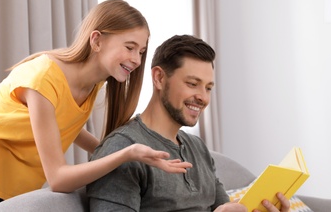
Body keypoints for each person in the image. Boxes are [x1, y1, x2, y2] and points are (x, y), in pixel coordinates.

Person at [0, 0, 191, 212]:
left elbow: (64, 122)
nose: (137, 60)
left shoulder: (92, 83)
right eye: (130, 47)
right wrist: (126, 153)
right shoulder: (43, 80)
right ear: (97, 40)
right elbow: (57, 179)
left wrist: (110, 150)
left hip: (12, 193)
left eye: (141, 51)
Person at [87, 35, 290, 212]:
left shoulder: (198, 149)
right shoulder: (123, 149)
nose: (203, 97)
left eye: (208, 88)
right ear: (159, 78)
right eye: (192, 84)